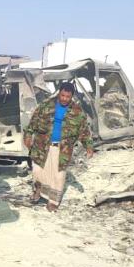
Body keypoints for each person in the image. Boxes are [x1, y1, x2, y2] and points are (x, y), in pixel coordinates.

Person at [22, 82, 94, 212]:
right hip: (42, 145)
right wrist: (28, 135)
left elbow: (84, 131)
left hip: (63, 149)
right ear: (59, 93)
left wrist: (88, 146)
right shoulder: (46, 105)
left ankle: (53, 202)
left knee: (58, 176)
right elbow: (33, 121)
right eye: (62, 95)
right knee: (38, 171)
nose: (64, 99)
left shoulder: (77, 111)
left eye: (68, 96)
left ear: (72, 96)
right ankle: (38, 191)